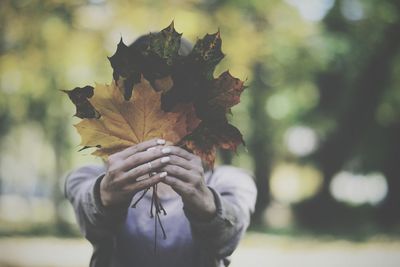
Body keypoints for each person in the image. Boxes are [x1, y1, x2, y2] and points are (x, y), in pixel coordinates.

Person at [65, 36, 257, 267]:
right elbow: (91, 218)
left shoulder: (229, 181)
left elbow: (227, 235)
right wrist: (105, 194)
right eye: (144, 95)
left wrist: (205, 202)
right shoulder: (90, 178)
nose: (159, 112)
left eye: (173, 100)